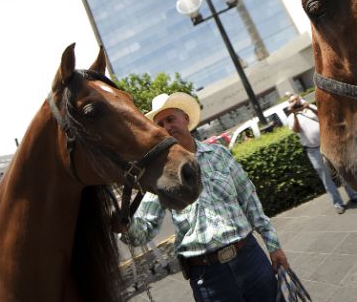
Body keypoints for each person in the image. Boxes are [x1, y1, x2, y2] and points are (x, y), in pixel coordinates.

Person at [118, 92, 289, 302]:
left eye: (171, 119)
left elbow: (250, 202)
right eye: (161, 124)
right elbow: (142, 232)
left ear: (186, 119)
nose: (167, 127)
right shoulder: (161, 176)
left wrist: (274, 246)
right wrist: (123, 222)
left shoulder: (219, 154)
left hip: (250, 259)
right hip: (209, 279)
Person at [286, 94, 357, 214]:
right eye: (292, 101)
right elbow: (297, 130)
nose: (296, 102)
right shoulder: (291, 118)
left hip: (327, 144)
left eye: (296, 99)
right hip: (313, 151)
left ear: (300, 99)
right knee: (326, 178)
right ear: (290, 104)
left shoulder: (310, 108)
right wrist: (294, 113)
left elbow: (323, 117)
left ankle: (354, 195)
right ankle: (337, 203)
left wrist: (309, 106)